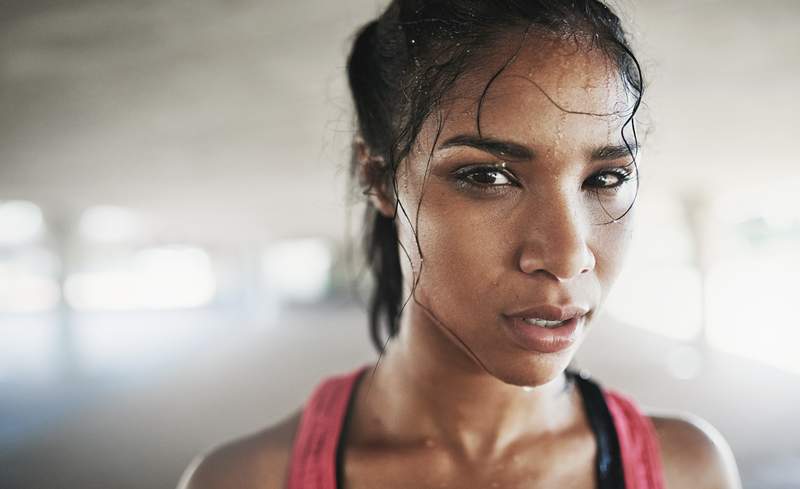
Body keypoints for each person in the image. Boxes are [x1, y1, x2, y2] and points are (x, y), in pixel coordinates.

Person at [179, 1, 742, 487]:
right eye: (488, 176)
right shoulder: (241, 480)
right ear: (378, 179)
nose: (569, 256)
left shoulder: (687, 470)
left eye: (606, 178)